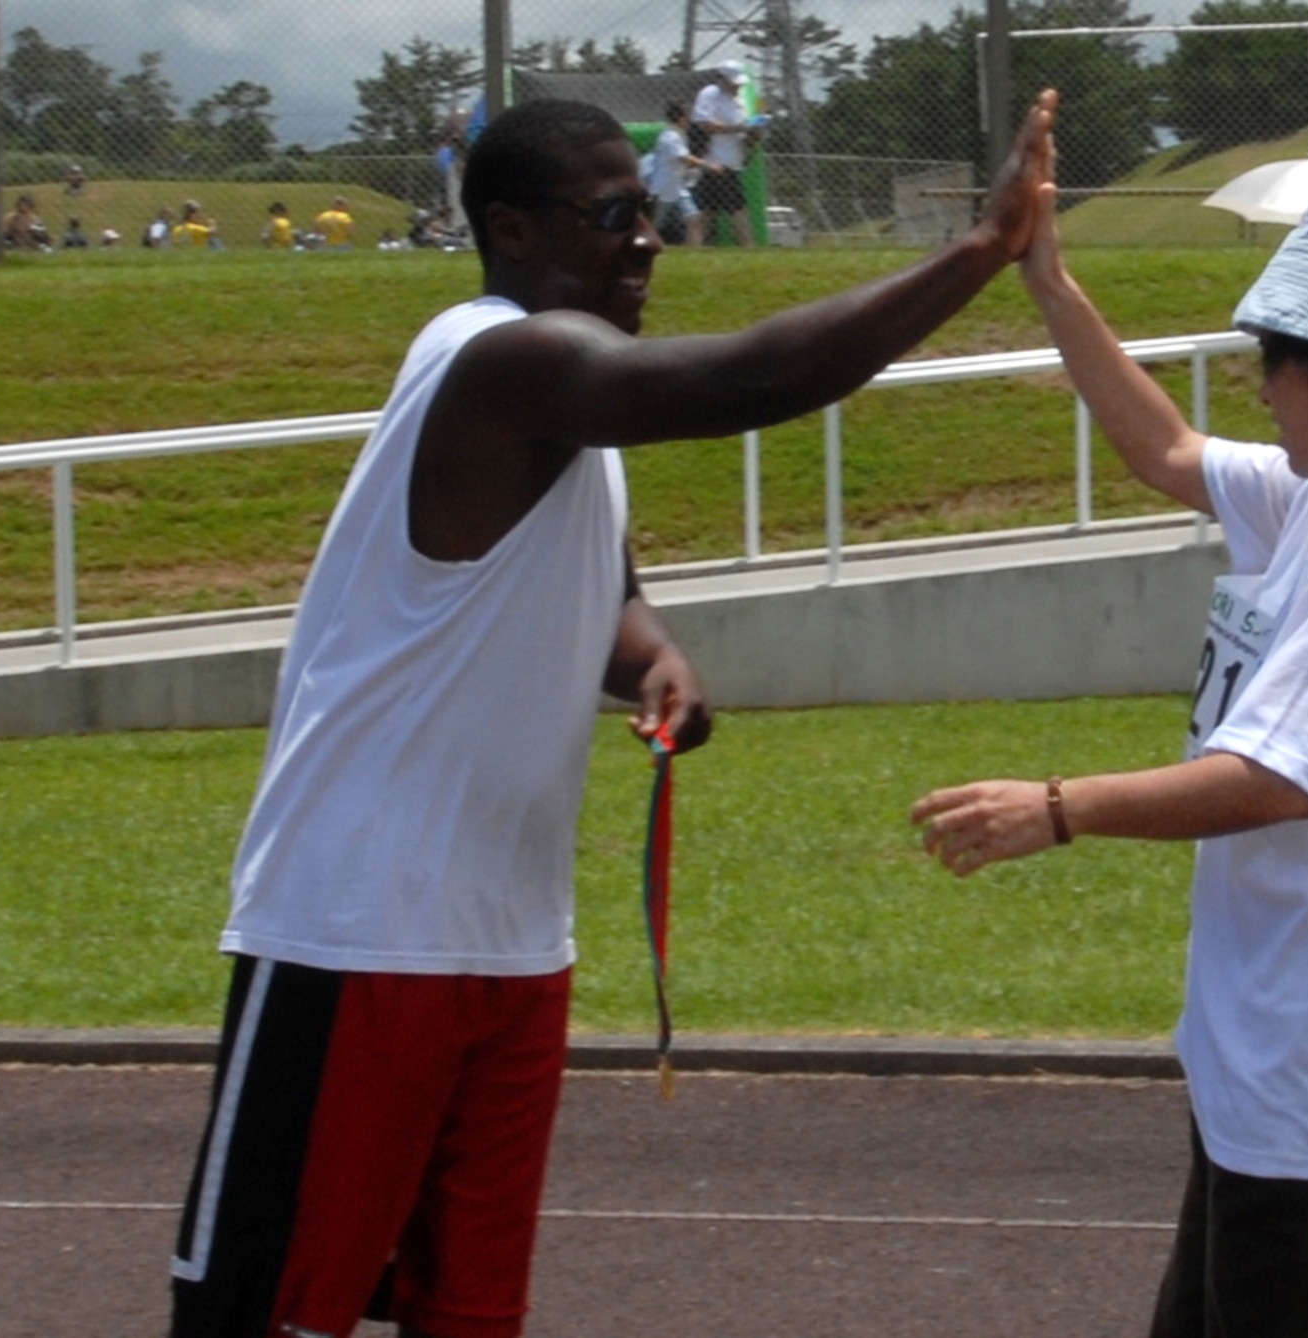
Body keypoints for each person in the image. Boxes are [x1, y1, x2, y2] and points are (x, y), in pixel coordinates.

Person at [168, 90, 1058, 1338]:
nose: (648, 238)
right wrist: (980, 248)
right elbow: (748, 375)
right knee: (274, 1313)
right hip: (358, 934)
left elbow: (605, 600)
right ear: (513, 232)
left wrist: (654, 662)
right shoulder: (499, 356)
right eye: (612, 214)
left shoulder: (573, 401)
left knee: (468, 1313)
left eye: (647, 211)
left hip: (509, 946)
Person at [911, 188, 1308, 1338]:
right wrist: (1047, 280)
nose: (1257, 382)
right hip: (1297, 1061)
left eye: (1274, 356)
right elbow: (1165, 447)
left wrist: (1056, 807)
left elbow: (1275, 777)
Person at [691, 59, 761, 248]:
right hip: (718, 162)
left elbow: (743, 135)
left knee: (706, 210)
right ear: (722, 79)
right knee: (738, 209)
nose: (737, 86)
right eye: (733, 82)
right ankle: (749, 247)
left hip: (732, 162)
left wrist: (753, 135)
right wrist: (736, 128)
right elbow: (703, 123)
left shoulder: (738, 103)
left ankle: (693, 248)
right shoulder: (710, 94)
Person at [647, 101, 707, 247]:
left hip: (679, 187)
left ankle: (692, 253)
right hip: (663, 188)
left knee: (694, 219)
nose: (690, 120)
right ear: (680, 119)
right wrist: (708, 165)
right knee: (653, 225)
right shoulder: (670, 137)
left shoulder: (680, 135)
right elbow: (684, 158)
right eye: (687, 116)